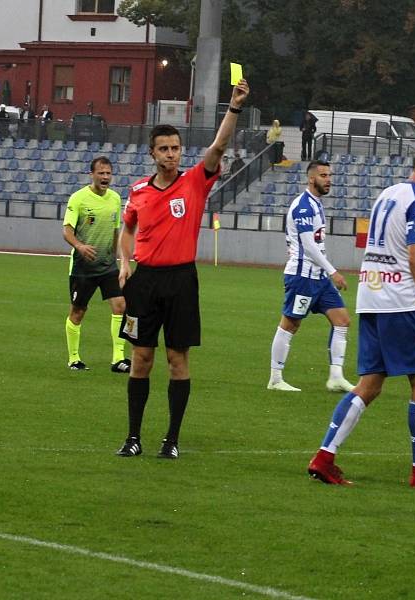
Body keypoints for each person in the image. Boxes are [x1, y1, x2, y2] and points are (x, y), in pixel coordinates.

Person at [307, 145, 415, 489]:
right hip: (402, 301)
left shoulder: (387, 194)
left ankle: (325, 456)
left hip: (371, 297)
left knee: (370, 384)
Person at [115, 79, 250, 460]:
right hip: (144, 282)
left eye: (175, 148)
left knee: (178, 360)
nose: (172, 154)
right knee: (141, 359)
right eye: (164, 149)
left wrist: (234, 108)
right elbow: (126, 230)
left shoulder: (195, 182)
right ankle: (133, 437)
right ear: (153, 153)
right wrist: (125, 264)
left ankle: (171, 441)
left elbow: (219, 146)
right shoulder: (139, 191)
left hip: (181, 281)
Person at [267, 160, 355, 393]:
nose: (329, 179)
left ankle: (336, 377)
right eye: (323, 175)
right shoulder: (304, 206)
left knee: (342, 320)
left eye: (330, 175)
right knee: (290, 324)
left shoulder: (316, 204)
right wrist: (333, 271)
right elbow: (308, 246)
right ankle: (275, 379)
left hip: (318, 277)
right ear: (311, 178)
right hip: (302, 276)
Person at [62, 156, 130, 373]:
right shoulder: (78, 199)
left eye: (108, 173)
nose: (105, 177)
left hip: (108, 266)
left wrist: (120, 258)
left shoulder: (115, 199)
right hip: (83, 268)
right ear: (91, 174)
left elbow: (115, 230)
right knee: (78, 312)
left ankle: (118, 359)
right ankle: (74, 358)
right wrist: (80, 247)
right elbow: (67, 231)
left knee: (121, 306)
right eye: (101, 173)